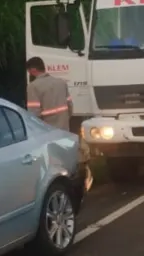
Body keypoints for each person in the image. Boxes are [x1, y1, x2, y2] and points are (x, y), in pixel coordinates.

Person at [26, 57, 92, 196]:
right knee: (67, 160)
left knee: (52, 165)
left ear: (33, 70)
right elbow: (70, 106)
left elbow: (33, 114)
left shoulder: (33, 87)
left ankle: (59, 192)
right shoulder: (61, 82)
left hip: (47, 131)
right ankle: (75, 187)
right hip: (63, 128)